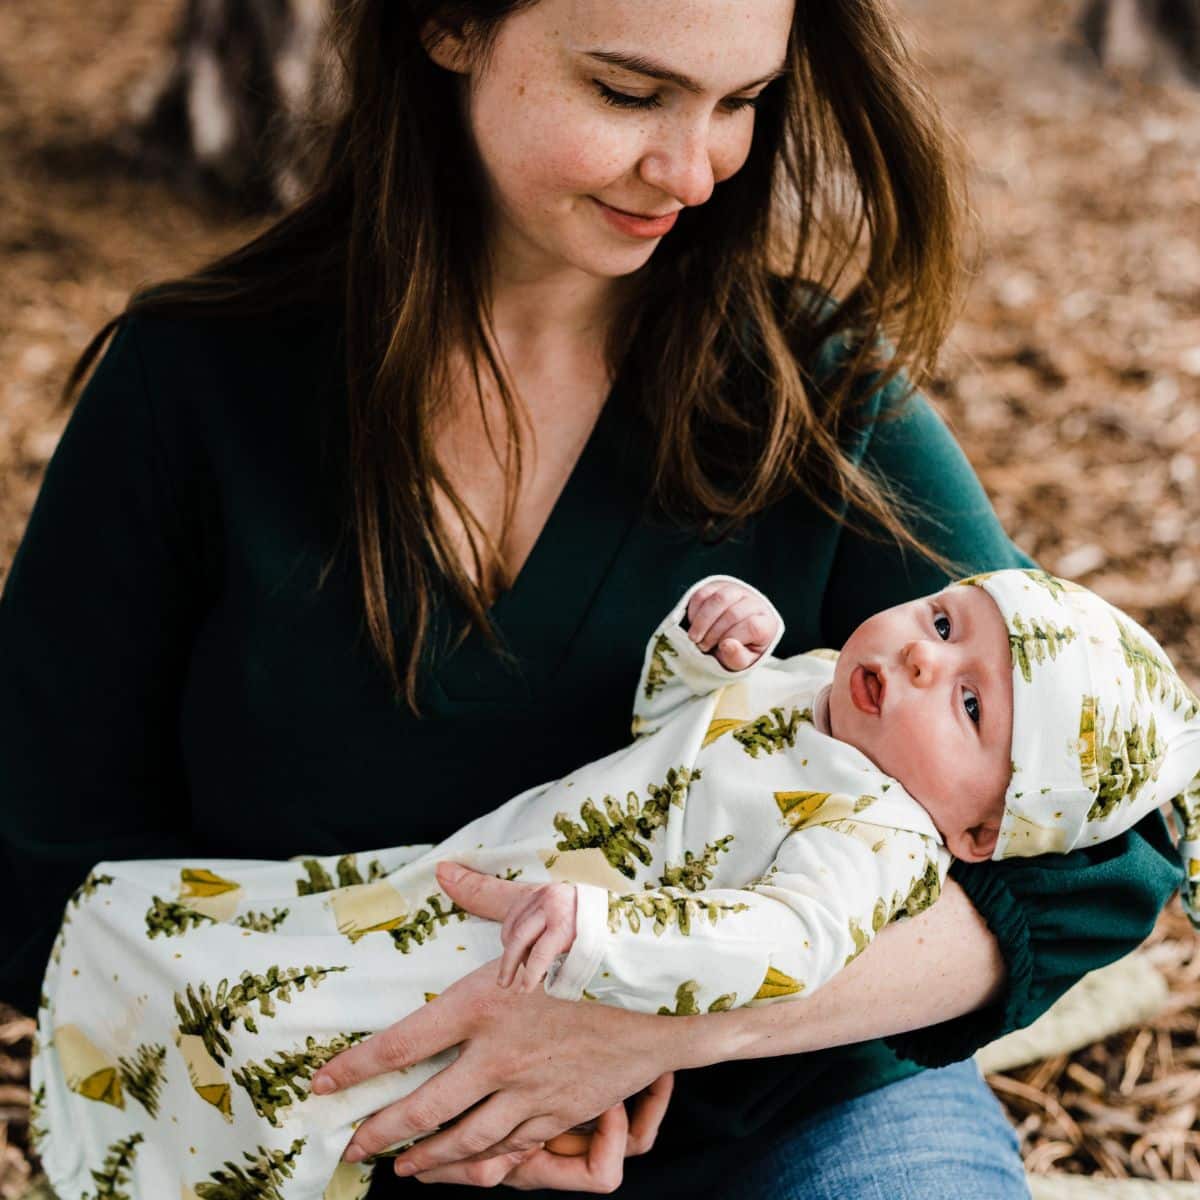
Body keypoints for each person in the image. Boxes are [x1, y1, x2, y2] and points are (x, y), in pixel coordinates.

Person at [2, 0, 1183, 1195]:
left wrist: (670, 1027)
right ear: (449, 25)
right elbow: (39, 858)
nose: (692, 169)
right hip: (339, 1131)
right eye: (629, 93)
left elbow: (1117, 850)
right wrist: (421, 1092)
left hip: (795, 1113)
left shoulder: (816, 394)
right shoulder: (192, 391)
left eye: (741, 103)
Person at [31, 566, 1200, 1200]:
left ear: (985, 834)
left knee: (331, 1061)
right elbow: (669, 747)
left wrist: (602, 949)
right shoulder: (811, 693)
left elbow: (774, 945)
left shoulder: (880, 835)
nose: (917, 655)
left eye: (971, 701)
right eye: (943, 618)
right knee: (266, 952)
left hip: (550, 937)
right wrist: (702, 653)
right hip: (500, 872)